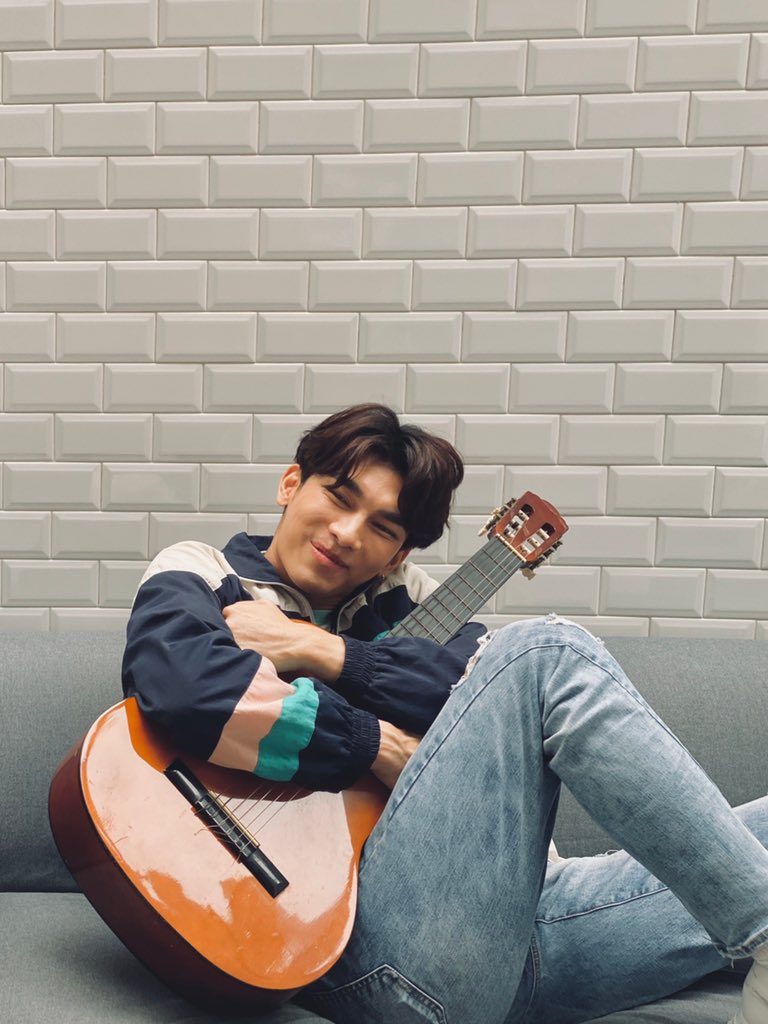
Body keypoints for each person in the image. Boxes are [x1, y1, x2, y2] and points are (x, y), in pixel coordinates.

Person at [123, 403, 768, 1024]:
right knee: (546, 650)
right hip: (374, 955)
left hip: (526, 932)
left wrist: (321, 651)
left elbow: (488, 704)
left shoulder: (416, 603)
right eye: (339, 497)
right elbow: (187, 688)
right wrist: (381, 746)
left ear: (399, 555)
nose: (347, 533)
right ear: (291, 484)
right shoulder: (201, 572)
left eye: (383, 528)